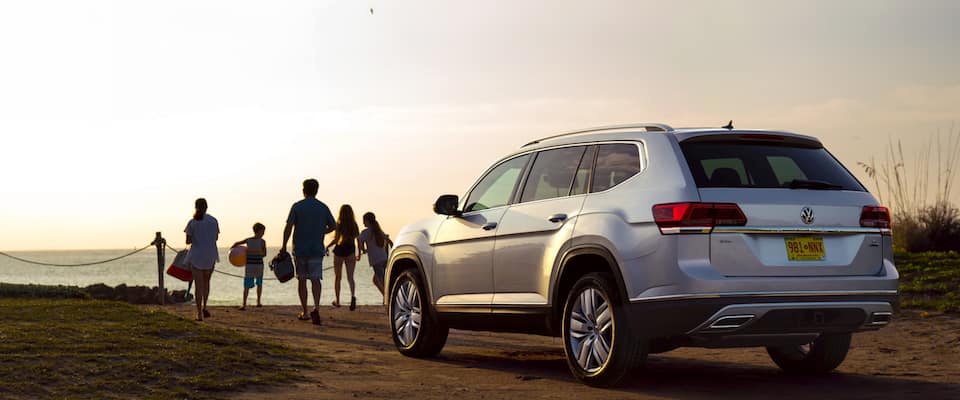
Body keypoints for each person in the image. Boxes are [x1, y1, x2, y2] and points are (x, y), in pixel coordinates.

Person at [282, 179, 337, 325]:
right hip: (316, 249)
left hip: (300, 249)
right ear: (316, 190)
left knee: (301, 280)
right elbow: (333, 226)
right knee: (315, 279)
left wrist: (283, 246)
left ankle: (305, 311)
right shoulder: (323, 207)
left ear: (303, 190)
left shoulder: (297, 207)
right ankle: (316, 308)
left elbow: (288, 227)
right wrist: (321, 231)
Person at [184, 198, 219, 322]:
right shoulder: (213, 220)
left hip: (197, 255)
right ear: (207, 207)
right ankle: (205, 306)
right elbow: (215, 237)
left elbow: (188, 241)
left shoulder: (192, 222)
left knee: (198, 285)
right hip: (210, 254)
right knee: (206, 283)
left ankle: (199, 313)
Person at [326, 204, 360, 311]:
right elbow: (358, 239)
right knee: (351, 277)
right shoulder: (354, 225)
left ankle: (338, 300)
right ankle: (353, 296)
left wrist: (327, 246)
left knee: (338, 278)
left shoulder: (339, 224)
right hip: (350, 250)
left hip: (339, 251)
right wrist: (359, 252)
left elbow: (336, 240)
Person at [231, 222, 267, 310]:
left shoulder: (248, 240)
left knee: (247, 284)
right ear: (258, 231)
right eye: (263, 231)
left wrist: (233, 249)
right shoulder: (262, 242)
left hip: (250, 265)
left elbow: (236, 243)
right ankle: (258, 302)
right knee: (259, 283)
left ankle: (244, 304)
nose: (263, 233)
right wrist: (258, 252)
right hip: (258, 265)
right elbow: (264, 254)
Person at [358, 212, 393, 298]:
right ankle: (386, 297)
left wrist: (362, 250)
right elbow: (390, 242)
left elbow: (359, 240)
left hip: (376, 260)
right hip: (384, 258)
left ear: (367, 221)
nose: (363, 223)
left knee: (380, 281)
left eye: (364, 221)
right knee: (377, 280)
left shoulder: (365, 232)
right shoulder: (378, 230)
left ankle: (387, 298)